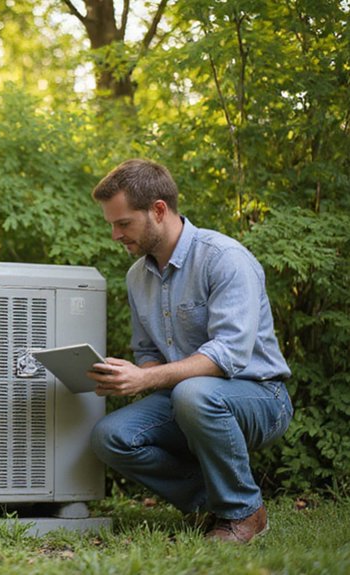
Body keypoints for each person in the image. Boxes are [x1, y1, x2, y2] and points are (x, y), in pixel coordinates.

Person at [86, 158, 294, 544]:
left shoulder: (225, 258)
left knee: (192, 393)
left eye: (123, 223)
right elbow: (148, 350)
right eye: (111, 224)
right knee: (110, 436)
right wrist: (129, 375)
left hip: (261, 396)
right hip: (187, 400)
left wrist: (147, 377)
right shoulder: (137, 277)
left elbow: (228, 355)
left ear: (159, 211)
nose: (115, 235)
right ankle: (211, 505)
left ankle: (245, 513)